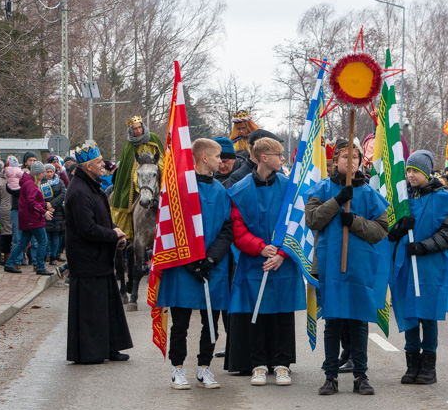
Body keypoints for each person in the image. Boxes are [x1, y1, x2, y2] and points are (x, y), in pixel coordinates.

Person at [305, 138, 390, 396]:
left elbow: (380, 229)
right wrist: (338, 200)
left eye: (354, 158)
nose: (350, 162)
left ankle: (360, 375)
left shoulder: (369, 194)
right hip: (331, 266)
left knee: (358, 322)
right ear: (335, 161)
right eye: (345, 157)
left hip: (359, 266)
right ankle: (330, 376)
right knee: (333, 321)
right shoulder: (322, 189)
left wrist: (354, 221)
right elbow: (312, 219)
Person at [224, 137, 305, 385]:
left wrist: (282, 253)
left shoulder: (290, 188)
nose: (282, 158)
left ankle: (282, 364)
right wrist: (261, 249)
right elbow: (237, 230)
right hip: (254, 263)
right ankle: (258, 363)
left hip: (283, 261)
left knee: (282, 313)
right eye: (278, 154)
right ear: (263, 158)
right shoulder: (239, 191)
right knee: (255, 313)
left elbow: (298, 222)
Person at [155, 139, 233, 389]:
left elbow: (227, 228)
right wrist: (192, 262)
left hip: (213, 266)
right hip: (183, 268)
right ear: (203, 158)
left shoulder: (221, 191)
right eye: (218, 156)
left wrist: (211, 258)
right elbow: (173, 229)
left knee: (210, 322)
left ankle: (204, 367)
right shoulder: (179, 188)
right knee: (181, 322)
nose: (221, 161)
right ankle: (177, 367)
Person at [387, 150, 448, 385]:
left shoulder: (444, 199)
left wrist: (423, 247)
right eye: (408, 171)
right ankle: (412, 364)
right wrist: (398, 229)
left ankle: (429, 366)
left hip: (430, 265)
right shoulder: (400, 200)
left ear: (426, 172)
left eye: (415, 171)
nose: (410, 175)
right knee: (409, 313)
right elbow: (387, 232)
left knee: (427, 315)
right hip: (406, 265)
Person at [64, 142, 133, 364]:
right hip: (87, 260)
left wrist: (115, 232)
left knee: (107, 306)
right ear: (87, 166)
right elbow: (87, 229)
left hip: (99, 259)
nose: (103, 165)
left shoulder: (92, 187)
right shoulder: (79, 192)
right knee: (92, 310)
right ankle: (91, 352)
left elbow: (102, 217)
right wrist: (113, 235)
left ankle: (110, 347)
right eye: (98, 162)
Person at [110, 116, 163, 240]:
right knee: (132, 187)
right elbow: (127, 166)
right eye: (135, 129)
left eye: (140, 127)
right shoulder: (129, 145)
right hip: (137, 176)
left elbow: (161, 157)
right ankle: (129, 230)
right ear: (131, 130)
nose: (138, 130)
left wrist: (155, 166)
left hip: (154, 170)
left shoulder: (153, 138)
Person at [3, 162, 53, 275]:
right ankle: (40, 266)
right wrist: (43, 211)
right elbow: (32, 202)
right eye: (41, 173)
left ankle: (9, 263)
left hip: (26, 218)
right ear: (37, 174)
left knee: (23, 242)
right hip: (33, 218)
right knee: (43, 241)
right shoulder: (30, 184)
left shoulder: (27, 183)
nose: (43, 175)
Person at [42, 164, 66, 265]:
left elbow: (63, 194)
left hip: (58, 212)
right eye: (47, 172)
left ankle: (53, 256)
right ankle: (46, 254)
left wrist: (53, 204)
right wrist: (46, 205)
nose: (49, 174)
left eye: (51, 172)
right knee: (46, 235)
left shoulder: (60, 182)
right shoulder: (41, 183)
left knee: (56, 235)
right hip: (45, 211)